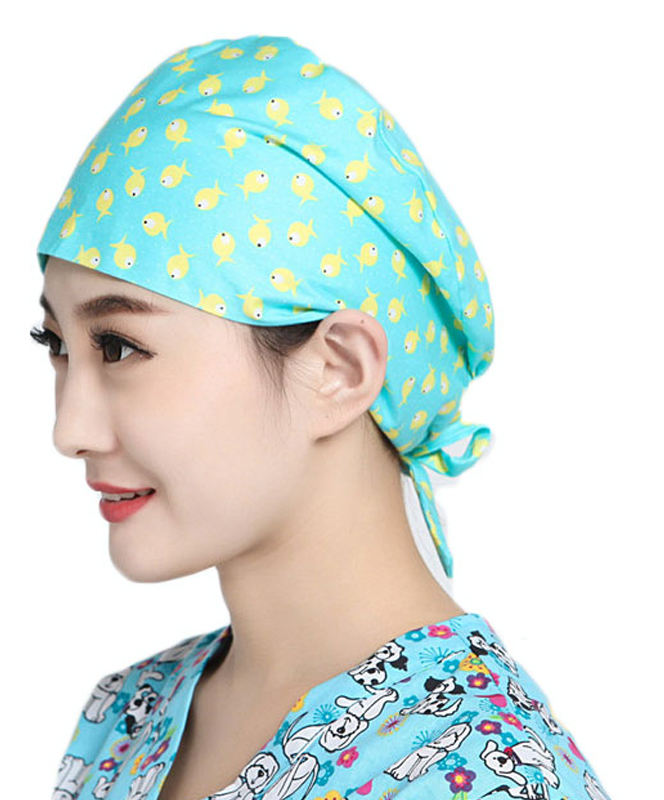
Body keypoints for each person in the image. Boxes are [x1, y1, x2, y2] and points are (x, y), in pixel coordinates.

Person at [32, 34, 612, 800]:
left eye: (119, 346)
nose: (69, 430)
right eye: (55, 344)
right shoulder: (126, 714)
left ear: (339, 370)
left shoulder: (482, 775)